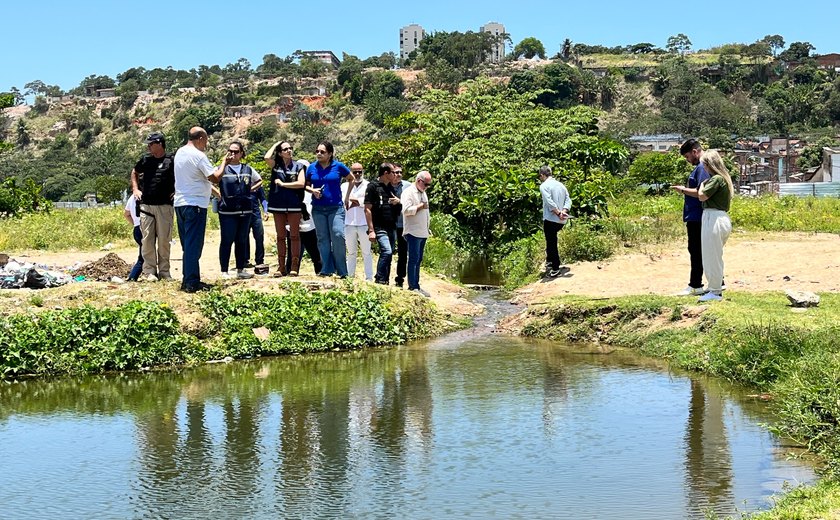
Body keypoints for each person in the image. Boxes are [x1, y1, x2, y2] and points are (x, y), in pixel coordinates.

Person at [173, 127, 228, 293]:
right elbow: (215, 177)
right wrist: (224, 162)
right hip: (195, 204)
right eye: (206, 141)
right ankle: (191, 282)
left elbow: (197, 179)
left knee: (187, 244)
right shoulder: (198, 156)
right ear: (201, 138)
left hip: (181, 203)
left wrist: (214, 193)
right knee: (193, 245)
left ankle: (188, 277)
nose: (206, 144)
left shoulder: (180, 153)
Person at [306, 141, 355, 277]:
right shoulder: (311, 168)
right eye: (317, 151)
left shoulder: (338, 166)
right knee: (323, 239)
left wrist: (347, 197)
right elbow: (305, 185)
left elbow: (351, 179)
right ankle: (327, 269)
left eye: (322, 152)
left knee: (338, 235)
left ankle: (342, 271)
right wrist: (313, 190)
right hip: (318, 208)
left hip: (336, 208)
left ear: (330, 154)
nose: (319, 154)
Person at [130, 132, 175, 282]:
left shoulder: (171, 160)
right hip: (147, 206)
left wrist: (177, 191)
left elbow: (181, 176)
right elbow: (134, 172)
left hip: (165, 206)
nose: (148, 147)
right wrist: (135, 189)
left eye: (151, 144)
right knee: (147, 240)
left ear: (160, 144)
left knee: (164, 240)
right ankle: (149, 271)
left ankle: (164, 272)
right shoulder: (145, 160)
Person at [672, 138, 711, 296]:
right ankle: (713, 281)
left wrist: (682, 190)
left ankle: (695, 284)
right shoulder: (701, 167)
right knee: (702, 250)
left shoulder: (701, 167)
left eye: (688, 157)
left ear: (695, 152)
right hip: (696, 216)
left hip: (697, 217)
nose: (688, 160)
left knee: (696, 251)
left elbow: (701, 192)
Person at [217, 141, 259, 280]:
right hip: (227, 212)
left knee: (241, 240)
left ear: (241, 153)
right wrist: (218, 195)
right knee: (227, 240)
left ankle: (240, 269)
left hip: (245, 211)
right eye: (230, 151)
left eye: (236, 152)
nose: (233, 154)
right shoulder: (222, 168)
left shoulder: (248, 169)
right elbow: (210, 180)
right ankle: (224, 270)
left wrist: (250, 190)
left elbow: (259, 180)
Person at [696, 150, 734, 302]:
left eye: (704, 165)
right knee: (714, 255)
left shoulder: (716, 179)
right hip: (719, 217)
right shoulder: (723, 178)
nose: (704, 168)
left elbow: (702, 195)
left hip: (713, 217)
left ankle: (715, 290)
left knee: (711, 256)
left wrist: (701, 185)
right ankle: (714, 287)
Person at [266, 141, 306, 276]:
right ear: (279, 152)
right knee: (280, 236)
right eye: (285, 149)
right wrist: (277, 143)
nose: (289, 150)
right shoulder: (276, 165)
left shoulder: (299, 166)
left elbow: (301, 183)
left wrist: (283, 184)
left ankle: (294, 266)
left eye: (290, 148)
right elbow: (266, 157)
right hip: (278, 205)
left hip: (294, 204)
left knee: (295, 236)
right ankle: (281, 266)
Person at [364, 163, 400, 285]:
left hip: (391, 226)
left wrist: (397, 202)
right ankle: (379, 278)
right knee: (387, 251)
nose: (395, 175)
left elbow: (397, 206)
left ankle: (385, 280)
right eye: (393, 173)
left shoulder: (391, 188)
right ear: (386, 173)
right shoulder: (373, 187)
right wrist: (371, 230)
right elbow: (367, 209)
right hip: (379, 226)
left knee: (389, 256)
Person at [401, 170, 432, 296]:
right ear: (419, 181)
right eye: (426, 184)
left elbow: (426, 211)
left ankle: (417, 285)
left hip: (423, 231)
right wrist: (420, 206)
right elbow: (406, 210)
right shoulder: (408, 192)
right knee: (413, 259)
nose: (427, 187)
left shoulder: (423, 192)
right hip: (412, 231)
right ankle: (412, 286)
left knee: (419, 259)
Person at [538, 165, 572, 278]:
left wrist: (558, 213)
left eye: (540, 176)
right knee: (551, 241)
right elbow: (568, 199)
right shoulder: (561, 185)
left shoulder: (544, 186)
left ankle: (555, 267)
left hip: (551, 218)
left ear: (543, 175)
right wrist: (564, 211)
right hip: (562, 220)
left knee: (551, 242)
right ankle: (549, 261)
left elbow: (549, 202)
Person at [343, 163, 373, 280]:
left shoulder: (368, 185)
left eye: (359, 171)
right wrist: (357, 201)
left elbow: (369, 202)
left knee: (366, 252)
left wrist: (356, 201)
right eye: (354, 172)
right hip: (349, 223)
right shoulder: (344, 186)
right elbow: (343, 200)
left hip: (364, 223)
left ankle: (369, 278)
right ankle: (350, 276)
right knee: (351, 252)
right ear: (351, 172)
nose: (357, 174)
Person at [285, 190, 323, 275]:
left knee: (315, 254)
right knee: (292, 255)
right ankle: (290, 271)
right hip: (292, 227)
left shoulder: (311, 192)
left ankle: (320, 271)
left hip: (309, 227)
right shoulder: (290, 192)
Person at [391, 164, 410, 287]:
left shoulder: (408, 186)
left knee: (403, 253)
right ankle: (383, 277)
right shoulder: (384, 186)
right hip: (389, 224)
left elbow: (413, 202)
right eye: (395, 172)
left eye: (400, 172)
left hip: (404, 224)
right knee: (388, 251)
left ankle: (400, 279)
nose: (398, 174)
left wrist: (400, 201)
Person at [123, 194, 143, 281]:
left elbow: (126, 214)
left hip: (136, 228)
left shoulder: (131, 197)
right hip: (144, 227)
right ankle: (133, 276)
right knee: (144, 256)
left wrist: (135, 223)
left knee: (143, 253)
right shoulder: (146, 194)